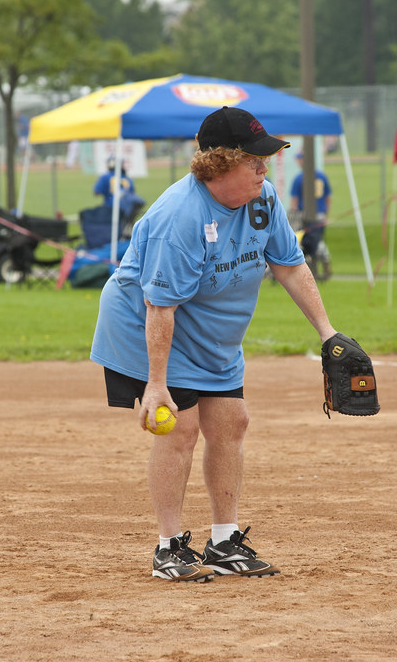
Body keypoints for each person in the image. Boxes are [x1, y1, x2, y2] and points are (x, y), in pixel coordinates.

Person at [90, 106, 347, 582]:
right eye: (254, 159)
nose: (264, 167)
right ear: (220, 163)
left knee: (232, 421)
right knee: (180, 429)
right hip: (145, 324)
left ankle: (224, 541)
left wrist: (328, 333)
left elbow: (289, 265)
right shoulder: (179, 217)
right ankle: (168, 548)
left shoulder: (263, 200)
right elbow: (159, 307)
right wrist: (157, 384)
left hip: (210, 329)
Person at [290, 151, 333, 279]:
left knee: (307, 242)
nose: (298, 162)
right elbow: (328, 197)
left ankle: (313, 266)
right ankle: (325, 261)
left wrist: (293, 216)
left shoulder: (300, 178)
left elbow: (294, 201)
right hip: (320, 215)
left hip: (306, 216)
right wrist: (326, 213)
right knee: (318, 241)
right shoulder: (322, 176)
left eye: (300, 159)